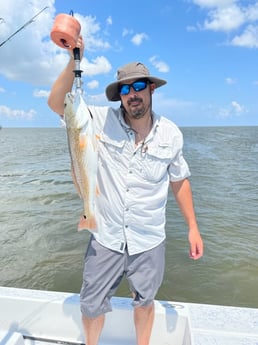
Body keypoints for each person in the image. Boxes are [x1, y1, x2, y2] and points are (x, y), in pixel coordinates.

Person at [48, 36, 204, 345]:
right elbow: (57, 103)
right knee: (91, 304)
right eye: (124, 89)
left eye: (137, 87)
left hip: (149, 238)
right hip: (104, 234)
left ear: (151, 89)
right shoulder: (98, 121)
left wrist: (193, 227)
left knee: (144, 301)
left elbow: (179, 180)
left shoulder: (171, 134)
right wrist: (73, 60)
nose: (132, 94)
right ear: (119, 96)